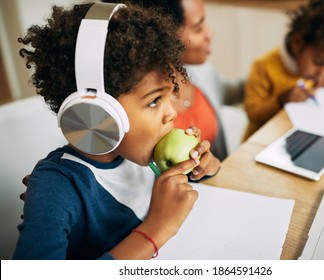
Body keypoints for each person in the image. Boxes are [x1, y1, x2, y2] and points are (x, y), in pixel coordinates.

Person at [13, 2, 220, 260]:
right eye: (154, 101)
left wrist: (204, 167)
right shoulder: (58, 186)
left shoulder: (144, 155)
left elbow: (183, 191)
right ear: (101, 113)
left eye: (171, 96)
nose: (173, 113)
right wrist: (157, 229)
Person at [103, 0, 245, 161]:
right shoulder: (132, 103)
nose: (210, 33)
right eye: (198, 28)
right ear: (164, 32)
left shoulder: (200, 71)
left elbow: (238, 90)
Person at [243, 0, 324, 140]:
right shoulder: (264, 66)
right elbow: (252, 113)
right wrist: (282, 99)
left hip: (302, 137)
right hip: (261, 142)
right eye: (319, 62)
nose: (323, 72)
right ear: (297, 43)